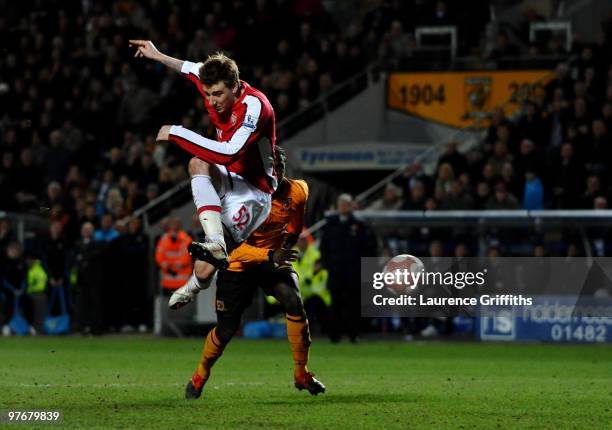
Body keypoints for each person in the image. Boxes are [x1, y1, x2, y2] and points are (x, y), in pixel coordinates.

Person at [176, 147, 325, 399]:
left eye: (279, 164)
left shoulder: (298, 190)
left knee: (293, 301)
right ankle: (201, 373)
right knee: (226, 330)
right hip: (239, 263)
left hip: (271, 259)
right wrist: (269, 255)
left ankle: (302, 373)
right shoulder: (237, 198)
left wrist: (285, 247)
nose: (276, 170)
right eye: (270, 166)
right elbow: (232, 249)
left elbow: (295, 226)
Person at [130, 41, 277, 273]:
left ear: (236, 87)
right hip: (230, 177)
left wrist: (177, 133)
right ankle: (216, 243)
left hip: (254, 190)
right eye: (208, 94)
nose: (211, 101)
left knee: (215, 271)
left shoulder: (255, 107)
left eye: (218, 94)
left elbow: (229, 153)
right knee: (197, 163)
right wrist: (157, 55)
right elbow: (188, 68)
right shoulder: (211, 82)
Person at [320, 194, 377, 343]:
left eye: (346, 204)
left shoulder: (359, 226)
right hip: (336, 271)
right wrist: (328, 265)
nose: (343, 207)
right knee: (335, 303)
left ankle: (354, 334)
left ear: (351, 206)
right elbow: (324, 248)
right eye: (341, 204)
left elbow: (368, 249)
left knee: (354, 304)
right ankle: (334, 335)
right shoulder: (330, 225)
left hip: (353, 272)